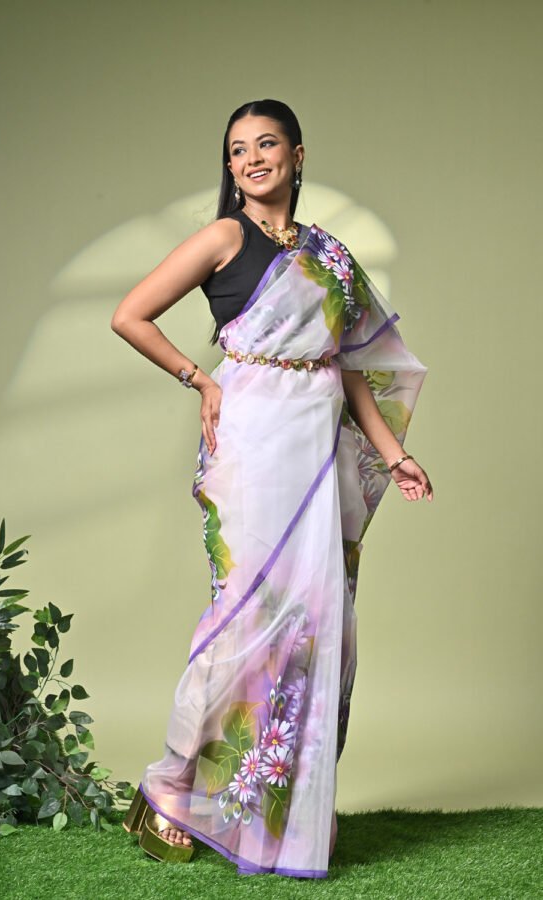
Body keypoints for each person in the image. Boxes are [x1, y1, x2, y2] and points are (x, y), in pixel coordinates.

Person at [111, 98, 433, 878]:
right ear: (229, 166)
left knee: (314, 621)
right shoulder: (225, 237)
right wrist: (198, 379)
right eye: (237, 150)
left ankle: (279, 816)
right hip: (252, 441)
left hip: (313, 448)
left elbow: (348, 365)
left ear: (297, 154)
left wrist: (393, 454)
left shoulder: (329, 255)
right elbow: (131, 315)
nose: (251, 159)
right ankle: (166, 790)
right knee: (243, 620)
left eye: (266, 144)